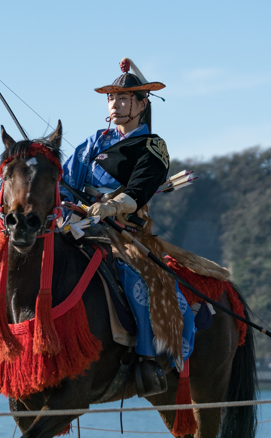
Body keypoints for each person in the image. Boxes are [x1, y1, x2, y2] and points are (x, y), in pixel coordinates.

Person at [61, 58, 191, 396]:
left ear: (141, 104)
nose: (114, 105)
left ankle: (148, 361)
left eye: (123, 99)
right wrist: (63, 203)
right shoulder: (94, 141)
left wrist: (111, 205)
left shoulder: (152, 146)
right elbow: (65, 180)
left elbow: (139, 189)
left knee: (137, 278)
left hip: (123, 230)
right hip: (78, 222)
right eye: (110, 98)